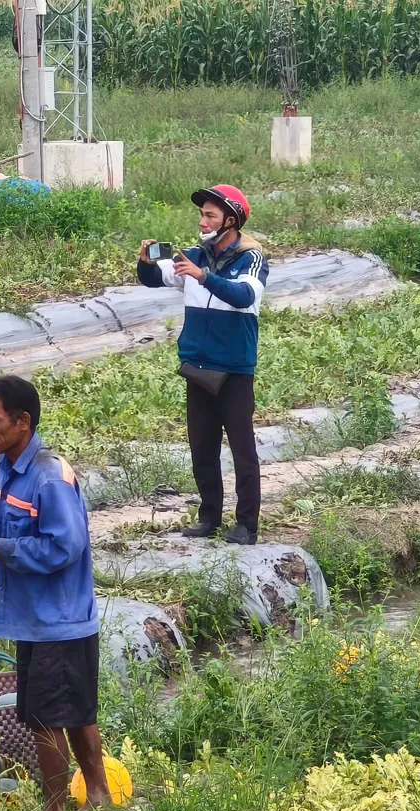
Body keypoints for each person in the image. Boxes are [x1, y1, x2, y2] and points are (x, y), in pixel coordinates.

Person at [0, 375, 109, 811]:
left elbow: (64, 547)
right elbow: (15, 522)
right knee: (72, 712)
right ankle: (98, 798)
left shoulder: (49, 477)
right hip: (38, 618)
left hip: (58, 618)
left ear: (23, 421)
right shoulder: (9, 466)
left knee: (46, 720)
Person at [136, 184, 268, 545]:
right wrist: (146, 261)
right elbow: (153, 279)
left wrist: (203, 276)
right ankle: (209, 517)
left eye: (210, 215)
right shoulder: (195, 255)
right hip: (198, 366)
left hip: (235, 369)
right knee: (202, 447)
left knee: (243, 449)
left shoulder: (250, 259)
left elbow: (243, 296)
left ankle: (246, 525)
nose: (202, 220)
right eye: (201, 214)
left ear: (231, 220)